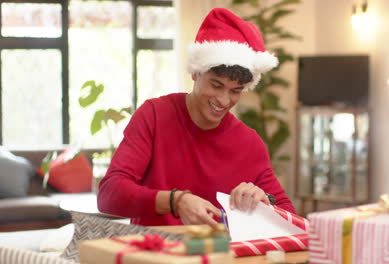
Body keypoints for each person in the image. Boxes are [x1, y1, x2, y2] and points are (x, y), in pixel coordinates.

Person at [97, 7, 295, 227]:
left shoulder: (249, 142)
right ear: (196, 72)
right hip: (155, 253)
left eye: (235, 91)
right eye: (216, 85)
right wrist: (176, 201)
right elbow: (109, 195)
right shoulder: (154, 115)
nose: (223, 100)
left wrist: (264, 202)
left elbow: (290, 216)